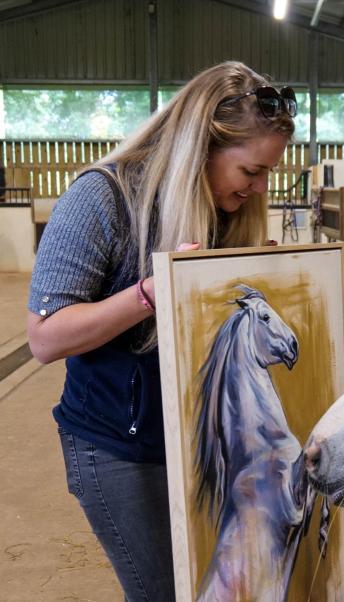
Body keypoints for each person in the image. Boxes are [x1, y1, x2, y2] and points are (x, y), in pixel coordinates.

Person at [26, 61, 297, 601]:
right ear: (201, 148)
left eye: (268, 173)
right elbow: (44, 337)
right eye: (250, 172)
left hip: (188, 437)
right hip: (113, 443)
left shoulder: (222, 210)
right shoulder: (101, 199)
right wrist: (151, 292)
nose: (260, 187)